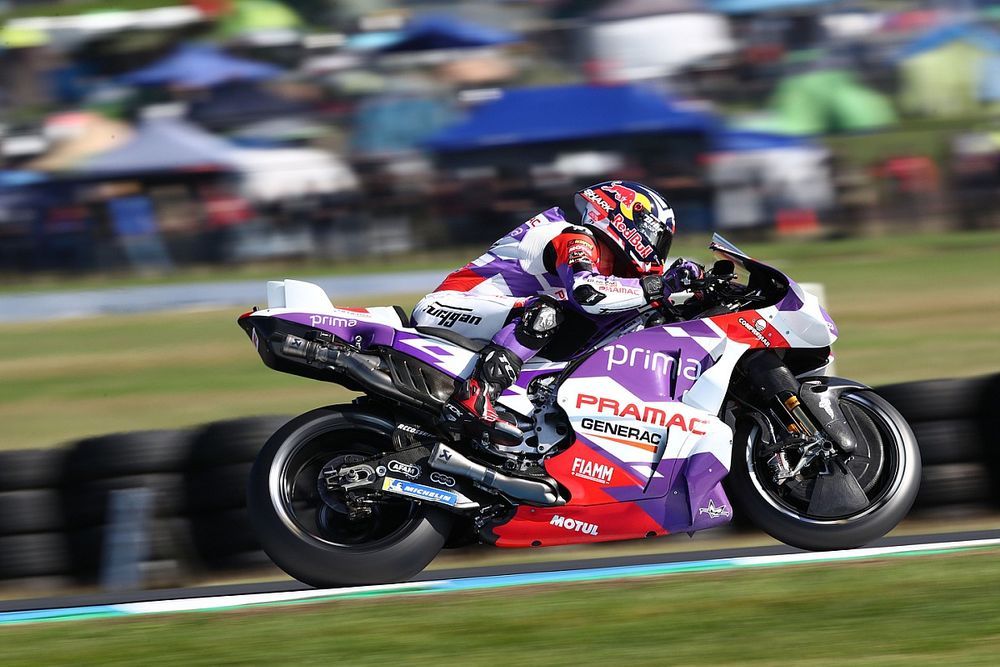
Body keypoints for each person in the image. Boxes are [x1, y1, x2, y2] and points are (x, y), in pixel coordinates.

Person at [412, 181, 704, 446]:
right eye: (656, 236)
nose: (657, 248)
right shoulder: (575, 238)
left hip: (489, 315)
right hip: (448, 306)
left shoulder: (603, 262)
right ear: (629, 219)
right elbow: (587, 292)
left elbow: (631, 293)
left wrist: (696, 287)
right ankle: (474, 396)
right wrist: (661, 284)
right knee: (548, 311)